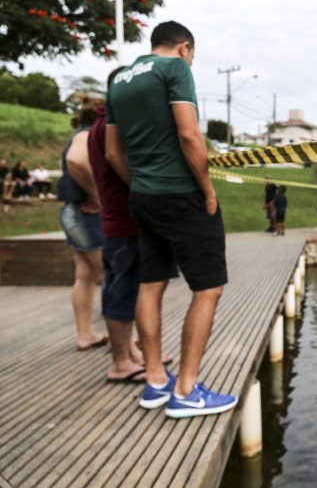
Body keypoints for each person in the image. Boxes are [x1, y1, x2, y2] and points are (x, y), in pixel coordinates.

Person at [105, 21, 236, 418]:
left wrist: (142, 183)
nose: (191, 63)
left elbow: (113, 154)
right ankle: (186, 389)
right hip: (182, 195)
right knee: (209, 289)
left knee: (151, 285)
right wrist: (208, 190)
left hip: (143, 198)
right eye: (192, 57)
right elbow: (190, 136)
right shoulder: (175, 69)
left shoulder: (120, 79)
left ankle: (156, 380)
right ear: (184, 48)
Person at [87, 69, 172, 382]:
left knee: (129, 289)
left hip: (120, 219)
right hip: (124, 221)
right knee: (122, 292)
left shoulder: (103, 123)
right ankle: (121, 361)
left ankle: (134, 353)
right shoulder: (113, 126)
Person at [57, 98, 108, 351]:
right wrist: (97, 195)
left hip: (72, 213)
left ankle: (85, 334)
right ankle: (124, 340)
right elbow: (77, 160)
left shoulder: (79, 133)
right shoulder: (87, 135)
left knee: (84, 276)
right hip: (86, 215)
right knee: (112, 274)